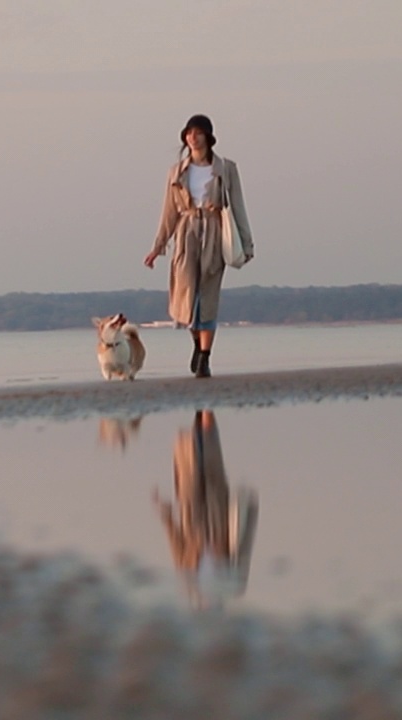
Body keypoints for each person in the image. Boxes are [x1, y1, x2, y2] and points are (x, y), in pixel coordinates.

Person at [143, 114, 254, 378]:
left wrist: (246, 243)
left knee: (208, 295)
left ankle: (205, 357)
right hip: (186, 233)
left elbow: (238, 206)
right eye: (189, 133)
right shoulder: (176, 171)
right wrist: (157, 247)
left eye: (198, 133)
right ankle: (196, 342)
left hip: (214, 232)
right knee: (186, 296)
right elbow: (168, 213)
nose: (193, 137)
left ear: (208, 137)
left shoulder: (226, 168)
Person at [152, 410, 257, 610]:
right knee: (209, 456)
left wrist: (164, 512)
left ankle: (201, 409)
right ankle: (205, 406)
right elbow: (244, 545)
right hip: (217, 513)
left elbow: (176, 542)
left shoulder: (188, 578)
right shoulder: (234, 582)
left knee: (190, 461)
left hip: (191, 512)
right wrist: (248, 508)